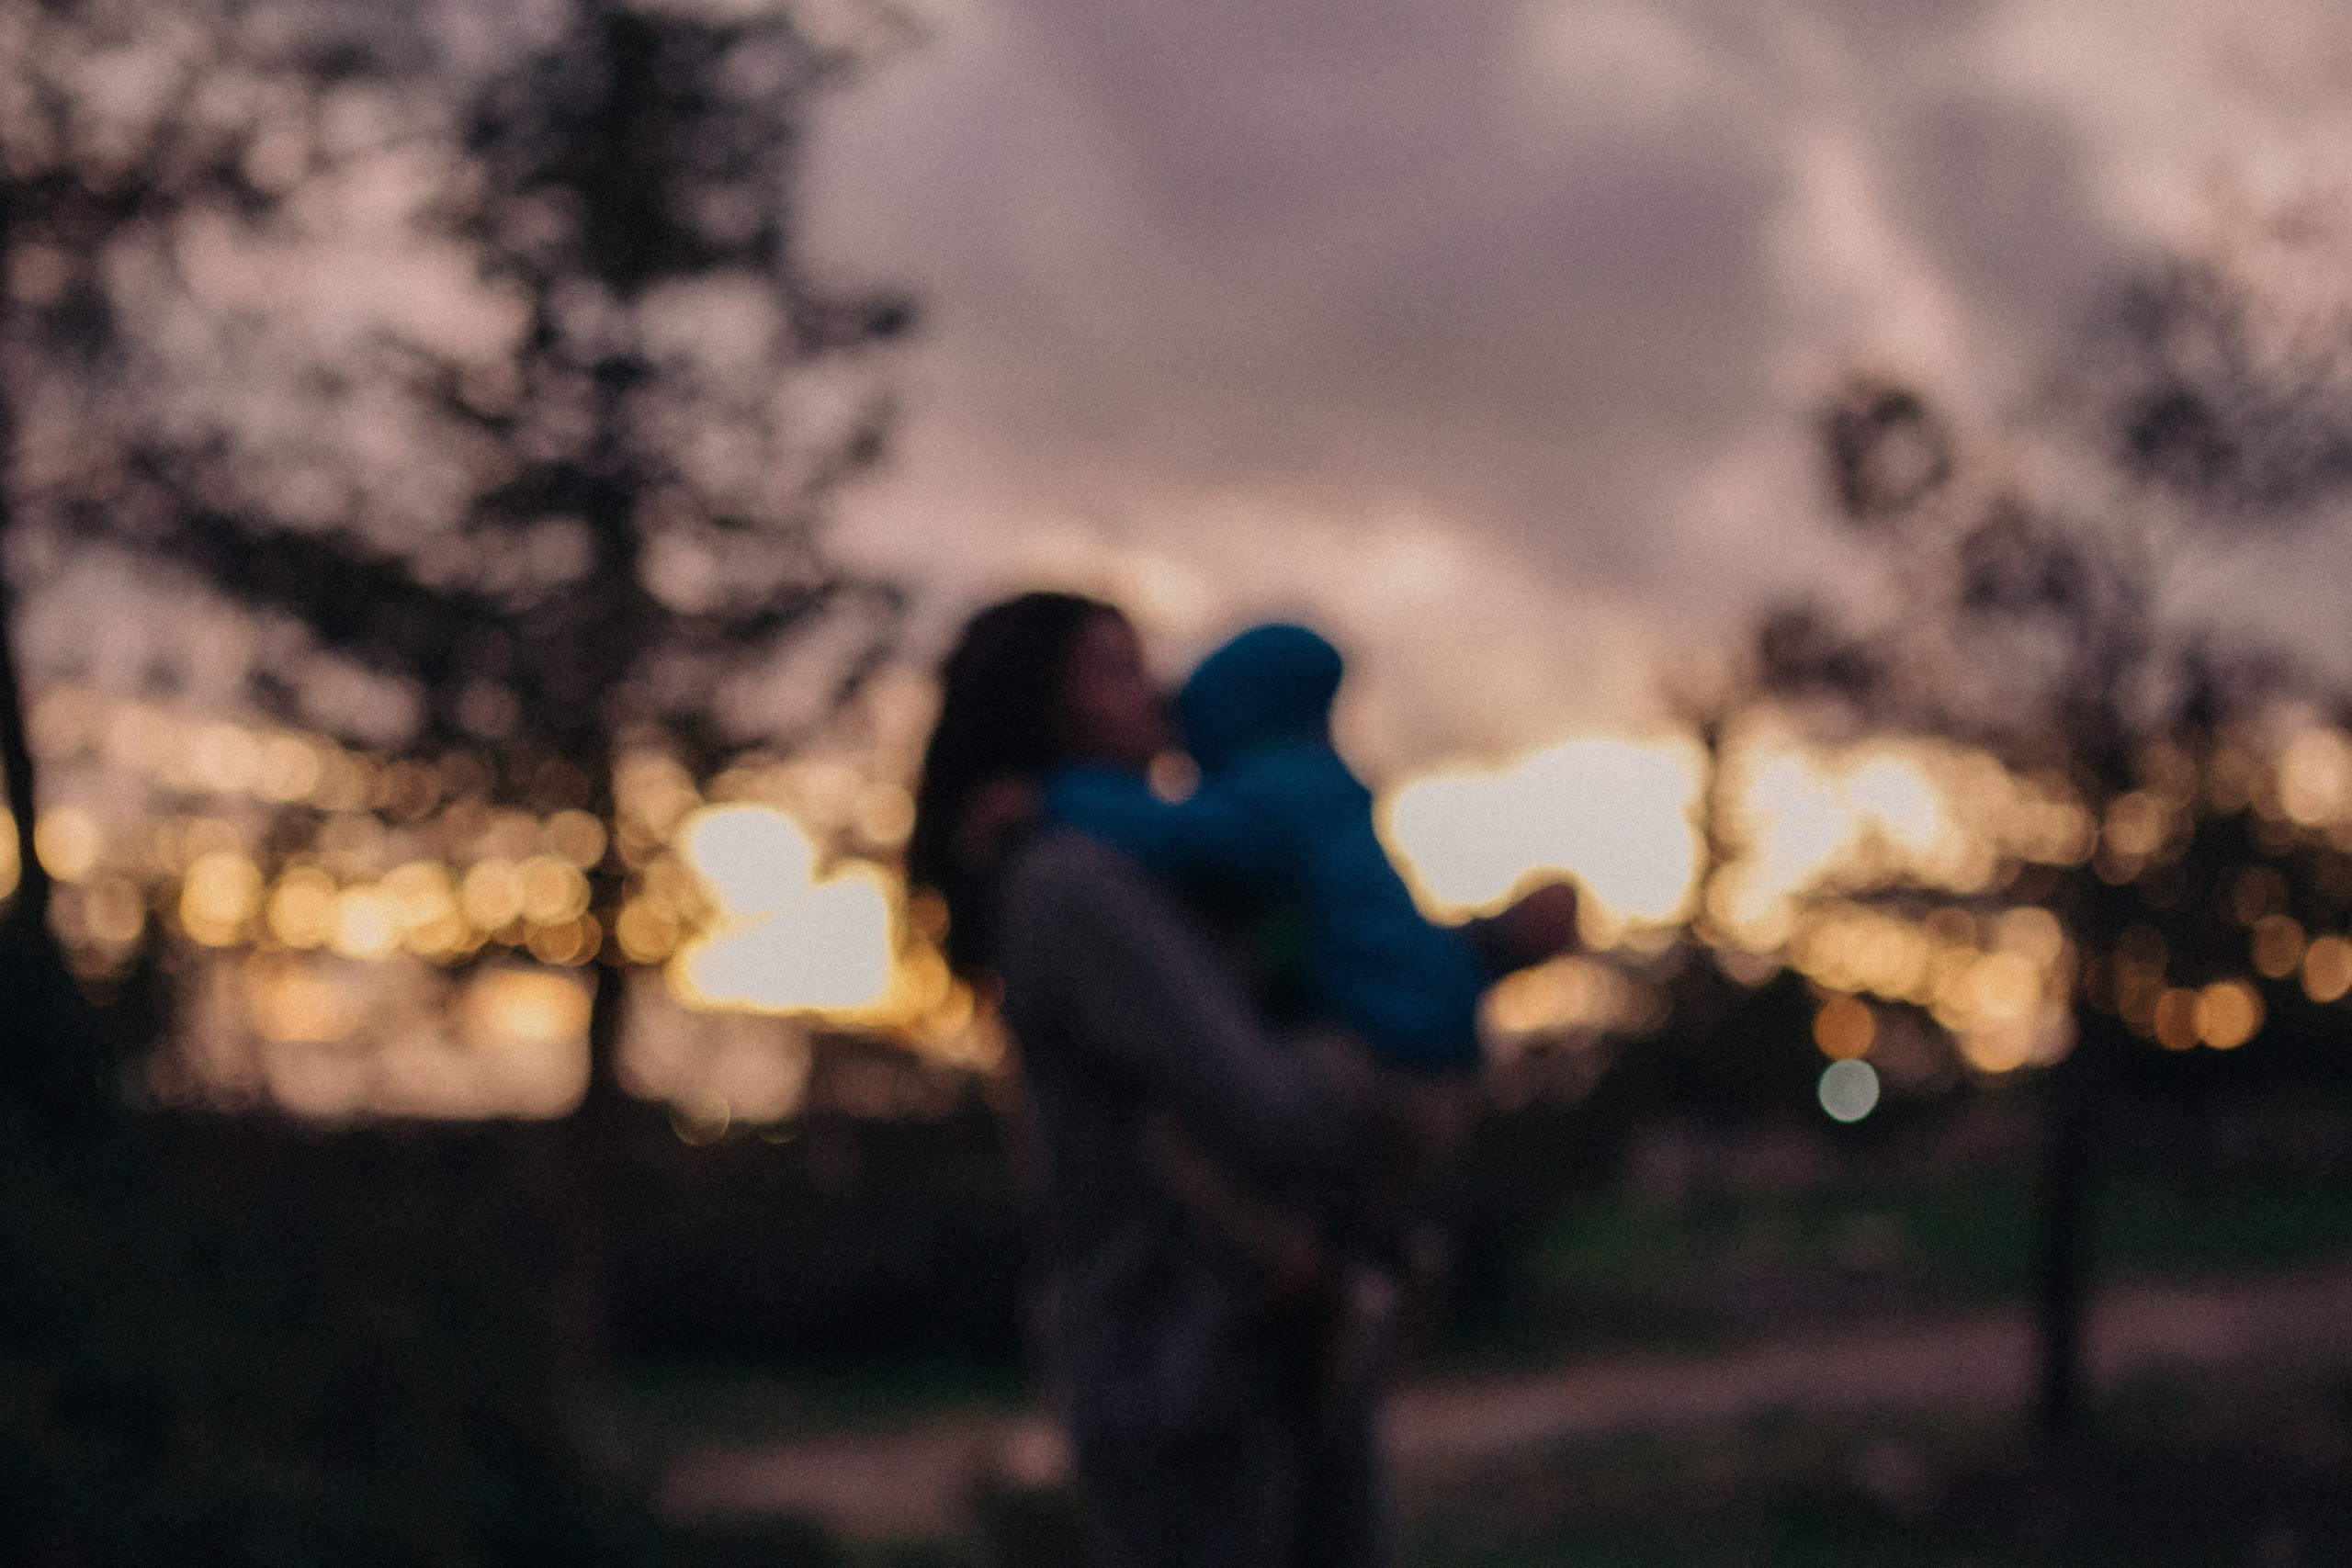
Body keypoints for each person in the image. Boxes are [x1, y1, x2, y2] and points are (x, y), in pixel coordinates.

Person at [908, 592, 1394, 1567]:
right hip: (1182, 1356)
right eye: (1115, 670)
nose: (1158, 692)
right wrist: (1391, 1071)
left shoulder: (1147, 862)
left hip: (1264, 1332)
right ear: (1044, 710)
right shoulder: (1071, 885)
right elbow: (1269, 1113)